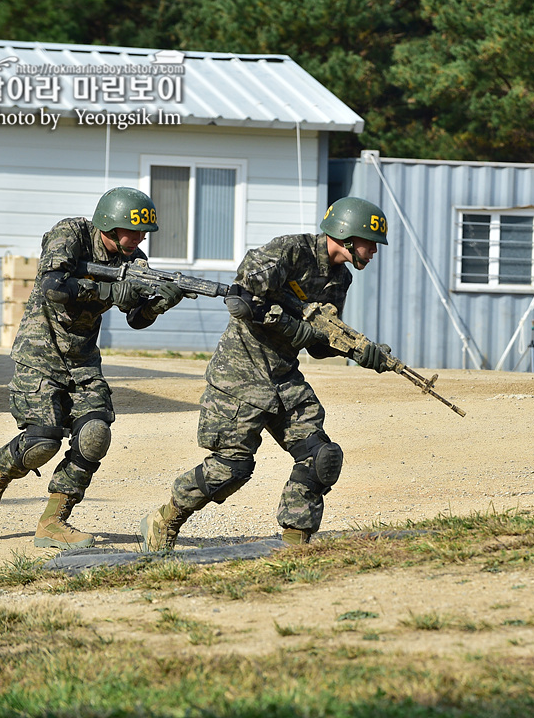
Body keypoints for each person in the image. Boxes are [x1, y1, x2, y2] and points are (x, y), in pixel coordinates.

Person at [138, 196, 392, 551]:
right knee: (231, 469)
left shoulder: (339, 279)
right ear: (348, 235)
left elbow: (319, 343)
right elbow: (242, 298)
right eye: (371, 243)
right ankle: (166, 518)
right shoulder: (291, 251)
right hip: (239, 377)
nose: (374, 252)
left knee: (321, 457)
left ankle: (294, 542)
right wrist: (295, 328)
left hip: (284, 378)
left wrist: (360, 351)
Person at [0, 187, 186, 549]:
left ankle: (53, 522)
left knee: (94, 435)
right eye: (132, 231)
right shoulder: (69, 235)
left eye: (144, 233)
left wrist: (160, 303)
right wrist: (108, 293)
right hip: (40, 354)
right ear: (110, 226)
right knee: (42, 442)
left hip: (83, 360)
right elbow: (54, 286)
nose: (140, 239)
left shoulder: (135, 261)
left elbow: (135, 318)